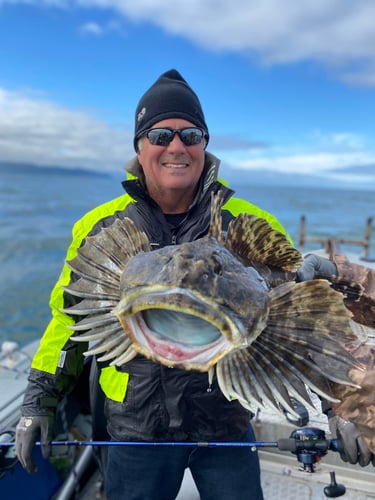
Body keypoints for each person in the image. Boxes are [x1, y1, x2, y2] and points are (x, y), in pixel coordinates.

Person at [15, 69, 374, 499]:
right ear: (139, 145)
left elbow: (301, 316)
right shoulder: (98, 227)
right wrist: (39, 401)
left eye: (191, 134)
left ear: (205, 144)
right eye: (161, 134)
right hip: (134, 425)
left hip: (225, 419)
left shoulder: (249, 224)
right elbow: (67, 322)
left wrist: (342, 405)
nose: (177, 146)